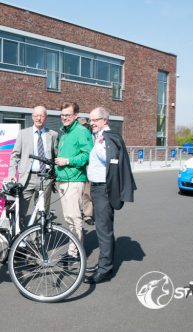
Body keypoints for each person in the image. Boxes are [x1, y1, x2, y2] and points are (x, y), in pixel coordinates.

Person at [84, 106, 136, 284]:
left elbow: (111, 160)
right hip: (97, 188)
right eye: (90, 120)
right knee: (103, 228)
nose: (92, 123)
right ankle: (103, 264)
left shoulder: (107, 138)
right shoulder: (100, 137)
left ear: (104, 120)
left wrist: (99, 146)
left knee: (103, 231)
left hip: (103, 189)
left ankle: (105, 270)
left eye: (94, 120)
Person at [7, 105, 58, 229]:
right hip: (27, 178)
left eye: (41, 115)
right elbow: (15, 156)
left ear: (46, 117)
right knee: (21, 211)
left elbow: (56, 157)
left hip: (45, 178)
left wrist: (55, 178)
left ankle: (38, 242)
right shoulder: (23, 134)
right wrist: (12, 173)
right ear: (32, 117)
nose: (38, 118)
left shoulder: (53, 135)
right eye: (36, 115)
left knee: (42, 212)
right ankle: (20, 239)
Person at [54, 102, 93, 262]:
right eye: (62, 115)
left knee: (74, 218)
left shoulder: (81, 131)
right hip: (63, 180)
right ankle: (73, 250)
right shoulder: (64, 132)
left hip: (74, 180)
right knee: (69, 219)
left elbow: (88, 155)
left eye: (68, 115)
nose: (64, 118)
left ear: (75, 116)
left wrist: (68, 161)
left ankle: (74, 253)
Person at [78, 117, 94, 226]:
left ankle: (87, 214)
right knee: (77, 193)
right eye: (83, 125)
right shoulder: (75, 136)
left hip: (88, 169)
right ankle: (77, 213)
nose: (85, 127)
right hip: (78, 170)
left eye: (86, 125)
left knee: (87, 193)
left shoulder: (92, 137)